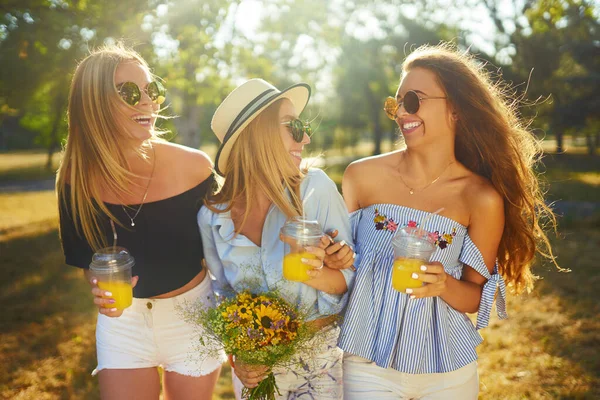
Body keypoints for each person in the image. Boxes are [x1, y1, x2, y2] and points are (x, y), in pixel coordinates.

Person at [338, 43, 557, 399]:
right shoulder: (360, 177)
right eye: (397, 103)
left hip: (447, 372)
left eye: (415, 100)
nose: (401, 113)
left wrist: (443, 285)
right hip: (367, 363)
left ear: (455, 109)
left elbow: (475, 296)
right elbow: (341, 271)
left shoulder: (480, 198)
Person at [56, 44, 224, 400]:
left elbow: (232, 245)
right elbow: (88, 261)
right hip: (124, 325)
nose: (148, 101)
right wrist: (101, 289)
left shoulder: (195, 167)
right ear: (94, 104)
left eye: (153, 90)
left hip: (192, 316)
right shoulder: (74, 178)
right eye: (130, 92)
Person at [198, 78, 355, 399]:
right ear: (258, 135)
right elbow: (222, 295)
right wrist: (238, 357)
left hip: (320, 364)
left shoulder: (317, 189)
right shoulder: (212, 217)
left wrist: (320, 270)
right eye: (294, 127)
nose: (306, 137)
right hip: (257, 372)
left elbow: (350, 280)